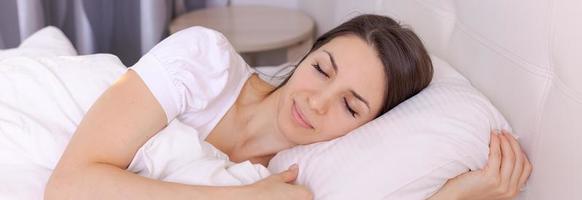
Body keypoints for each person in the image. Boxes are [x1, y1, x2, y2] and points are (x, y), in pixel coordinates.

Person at [44, 14, 531, 200]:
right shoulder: (204, 61)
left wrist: (456, 197)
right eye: (322, 69)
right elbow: (67, 186)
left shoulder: (295, 176)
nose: (315, 103)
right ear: (308, 54)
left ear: (367, 129)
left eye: (351, 106)